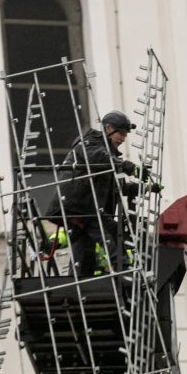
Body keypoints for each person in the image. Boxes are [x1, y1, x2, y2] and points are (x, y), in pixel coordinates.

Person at [45, 110, 148, 276]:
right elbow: (99, 158)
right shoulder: (89, 143)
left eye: (125, 135)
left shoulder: (111, 157)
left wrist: (144, 188)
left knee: (85, 248)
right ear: (108, 129)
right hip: (80, 206)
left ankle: (80, 278)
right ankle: (127, 274)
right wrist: (129, 167)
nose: (122, 139)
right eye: (120, 133)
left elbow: (118, 186)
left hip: (88, 209)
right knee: (113, 234)